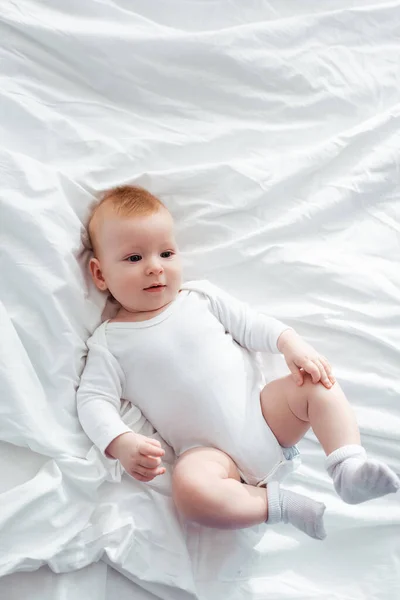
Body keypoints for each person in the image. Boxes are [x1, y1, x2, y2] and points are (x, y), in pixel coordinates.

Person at [77, 185, 399, 540]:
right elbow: (93, 400)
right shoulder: (109, 342)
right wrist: (120, 442)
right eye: (134, 258)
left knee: (315, 382)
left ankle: (347, 466)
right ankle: (281, 504)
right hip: (209, 458)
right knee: (189, 492)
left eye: (166, 253)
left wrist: (290, 344)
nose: (155, 268)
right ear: (100, 274)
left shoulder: (200, 298)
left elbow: (252, 324)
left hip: (264, 416)